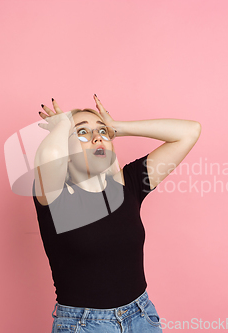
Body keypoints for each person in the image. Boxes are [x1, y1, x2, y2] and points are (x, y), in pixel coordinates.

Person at [32, 94, 201, 332]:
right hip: (84, 325)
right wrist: (62, 125)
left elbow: (189, 132)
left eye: (102, 132)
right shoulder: (54, 195)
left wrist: (118, 127)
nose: (96, 138)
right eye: (82, 133)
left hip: (142, 317)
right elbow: (49, 157)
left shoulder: (127, 185)